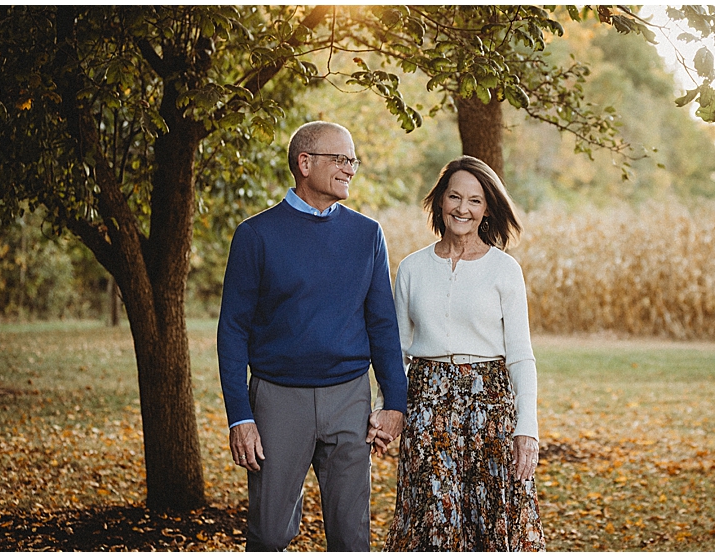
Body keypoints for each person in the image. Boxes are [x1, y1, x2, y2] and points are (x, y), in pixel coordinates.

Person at [217, 121, 408, 551]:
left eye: (352, 161)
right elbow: (231, 332)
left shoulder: (367, 234)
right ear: (305, 163)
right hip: (277, 401)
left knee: (351, 536)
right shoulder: (255, 235)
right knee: (268, 535)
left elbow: (382, 324)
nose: (350, 169)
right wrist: (240, 416)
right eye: (341, 159)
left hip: (350, 399)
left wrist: (395, 402)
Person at [371, 155, 545, 551]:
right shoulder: (412, 268)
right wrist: (388, 407)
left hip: (490, 407)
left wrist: (527, 428)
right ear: (440, 201)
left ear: (487, 209)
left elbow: (521, 356)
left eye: (474, 201)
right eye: (454, 197)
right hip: (427, 406)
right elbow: (395, 351)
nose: (462, 209)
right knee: (432, 519)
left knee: (493, 519)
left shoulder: (504, 270)